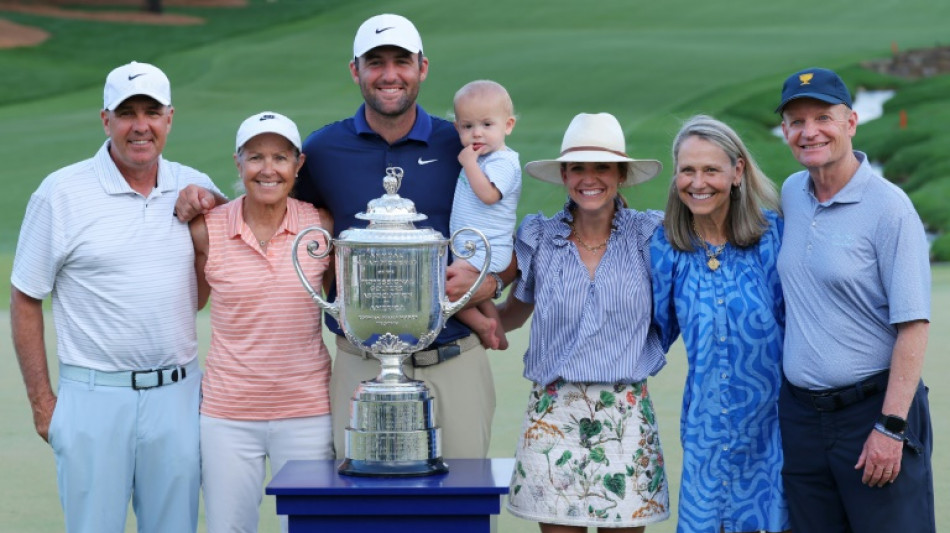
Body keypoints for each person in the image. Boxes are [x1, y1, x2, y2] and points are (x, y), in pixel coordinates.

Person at [172, 13, 507, 458]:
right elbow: (272, 205)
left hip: (450, 359)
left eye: (401, 61)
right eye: (375, 62)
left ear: (422, 68)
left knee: (461, 505)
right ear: (355, 70)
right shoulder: (325, 150)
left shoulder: (462, 146)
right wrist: (207, 200)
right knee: (361, 510)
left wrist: (491, 283)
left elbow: (503, 236)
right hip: (360, 361)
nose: (389, 75)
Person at [10, 61, 220, 533]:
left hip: (178, 396)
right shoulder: (61, 193)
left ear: (170, 118)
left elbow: (217, 278)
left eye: (151, 111)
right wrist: (43, 402)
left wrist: (214, 209)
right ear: (105, 120)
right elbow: (25, 298)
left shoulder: (196, 186)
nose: (139, 126)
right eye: (126, 113)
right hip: (93, 398)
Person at [775, 67, 933, 532]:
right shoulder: (791, 193)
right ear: (785, 130)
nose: (809, 132)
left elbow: (913, 325)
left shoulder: (890, 207)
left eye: (823, 117)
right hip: (802, 418)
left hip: (874, 414)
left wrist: (891, 426)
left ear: (850, 122)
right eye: (796, 121)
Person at [498, 112, 670, 532]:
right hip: (553, 413)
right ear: (563, 174)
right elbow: (512, 313)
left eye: (602, 167)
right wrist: (459, 323)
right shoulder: (538, 236)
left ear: (621, 175)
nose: (589, 178)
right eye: (578, 167)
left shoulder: (650, 235)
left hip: (625, 416)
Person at [190, 112, 334, 533]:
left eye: (280, 158)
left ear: (298, 165)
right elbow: (190, 302)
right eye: (255, 157)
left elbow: (340, 303)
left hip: (307, 410)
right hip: (227, 415)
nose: (267, 170)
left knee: (313, 527)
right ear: (238, 163)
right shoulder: (206, 230)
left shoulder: (320, 227)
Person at [650, 115, 789, 533]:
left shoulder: (773, 237)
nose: (699, 182)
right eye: (688, 170)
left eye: (711, 169)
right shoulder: (666, 247)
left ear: (737, 172)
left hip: (775, 435)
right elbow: (649, 333)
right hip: (706, 436)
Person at [449, 79, 521, 350]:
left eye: (487, 125)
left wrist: (468, 164)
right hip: (472, 246)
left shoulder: (504, 162)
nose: (477, 134)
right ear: (457, 128)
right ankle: (497, 334)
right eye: (468, 127)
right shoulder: (485, 159)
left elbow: (489, 195)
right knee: (476, 294)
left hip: (486, 247)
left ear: (508, 126)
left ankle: (482, 327)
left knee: (445, 287)